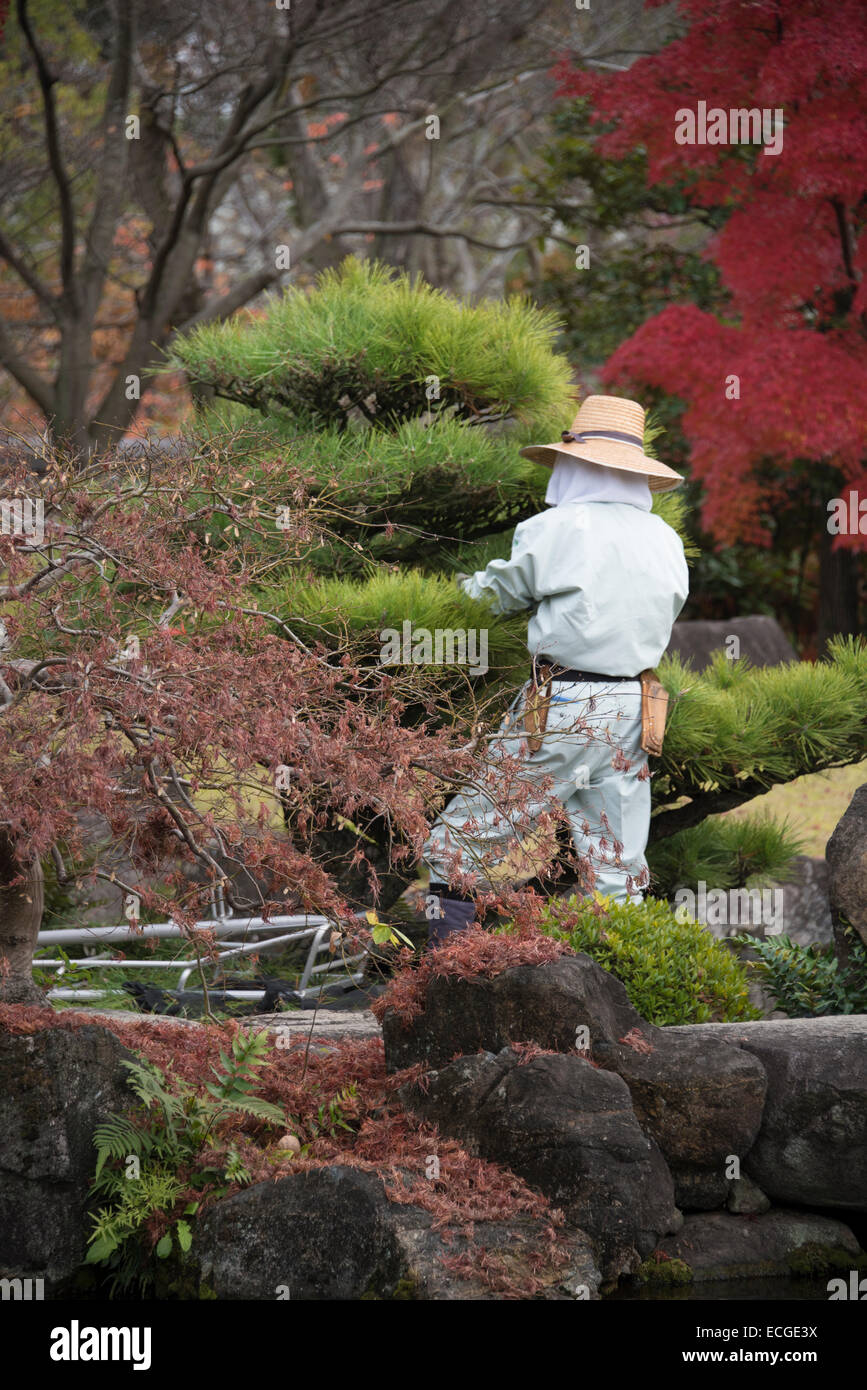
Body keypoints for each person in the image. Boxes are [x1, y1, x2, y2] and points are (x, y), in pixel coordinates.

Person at [421, 394, 689, 946]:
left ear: (576, 464)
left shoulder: (560, 527)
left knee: (459, 842)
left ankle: (441, 977)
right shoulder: (665, 539)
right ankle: (621, 995)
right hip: (638, 709)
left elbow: (492, 597)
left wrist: (428, 601)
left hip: (565, 704)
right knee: (615, 866)